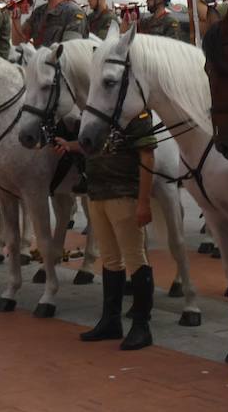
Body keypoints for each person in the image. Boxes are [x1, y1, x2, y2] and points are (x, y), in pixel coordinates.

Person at [58, 93, 157, 351]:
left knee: (135, 258)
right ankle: (111, 320)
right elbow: (95, 144)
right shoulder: (96, 111)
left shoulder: (138, 112)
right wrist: (70, 145)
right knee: (111, 260)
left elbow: (147, 157)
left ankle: (141, 326)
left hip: (124, 194)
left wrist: (144, 201)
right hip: (97, 193)